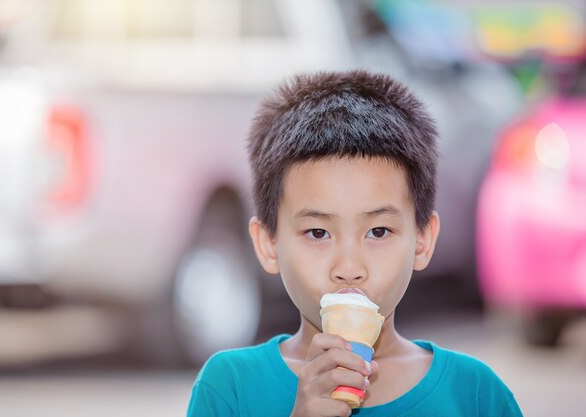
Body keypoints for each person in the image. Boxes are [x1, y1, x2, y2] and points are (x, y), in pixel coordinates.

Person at [186, 70, 523, 417]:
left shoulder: (475, 394)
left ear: (422, 240)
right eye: (318, 233)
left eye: (378, 232)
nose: (349, 268)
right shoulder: (231, 388)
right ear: (268, 244)